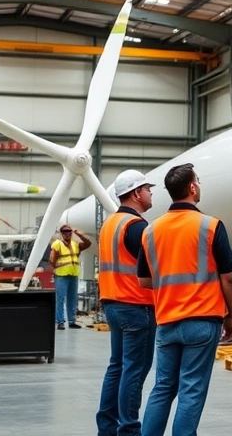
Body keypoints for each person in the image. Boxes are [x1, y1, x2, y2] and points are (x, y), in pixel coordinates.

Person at [137, 163, 232, 436]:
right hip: (202, 321)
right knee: (191, 389)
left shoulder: (151, 231)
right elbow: (228, 278)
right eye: (199, 181)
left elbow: (144, 281)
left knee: (162, 387)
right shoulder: (210, 226)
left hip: (167, 320)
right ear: (193, 188)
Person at [96, 170, 158, 436]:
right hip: (136, 306)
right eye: (147, 188)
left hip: (113, 303)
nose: (150, 193)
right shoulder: (136, 227)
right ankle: (129, 430)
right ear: (135, 193)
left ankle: (107, 429)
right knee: (134, 370)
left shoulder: (110, 224)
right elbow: (154, 268)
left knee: (117, 366)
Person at [50, 223, 92, 329]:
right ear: (61, 233)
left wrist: (81, 235)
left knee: (72, 298)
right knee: (60, 299)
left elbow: (88, 243)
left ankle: (72, 321)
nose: (67, 234)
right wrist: (56, 267)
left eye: (69, 231)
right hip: (62, 275)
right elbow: (52, 260)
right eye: (65, 232)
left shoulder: (75, 244)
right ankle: (60, 321)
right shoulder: (57, 244)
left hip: (73, 274)